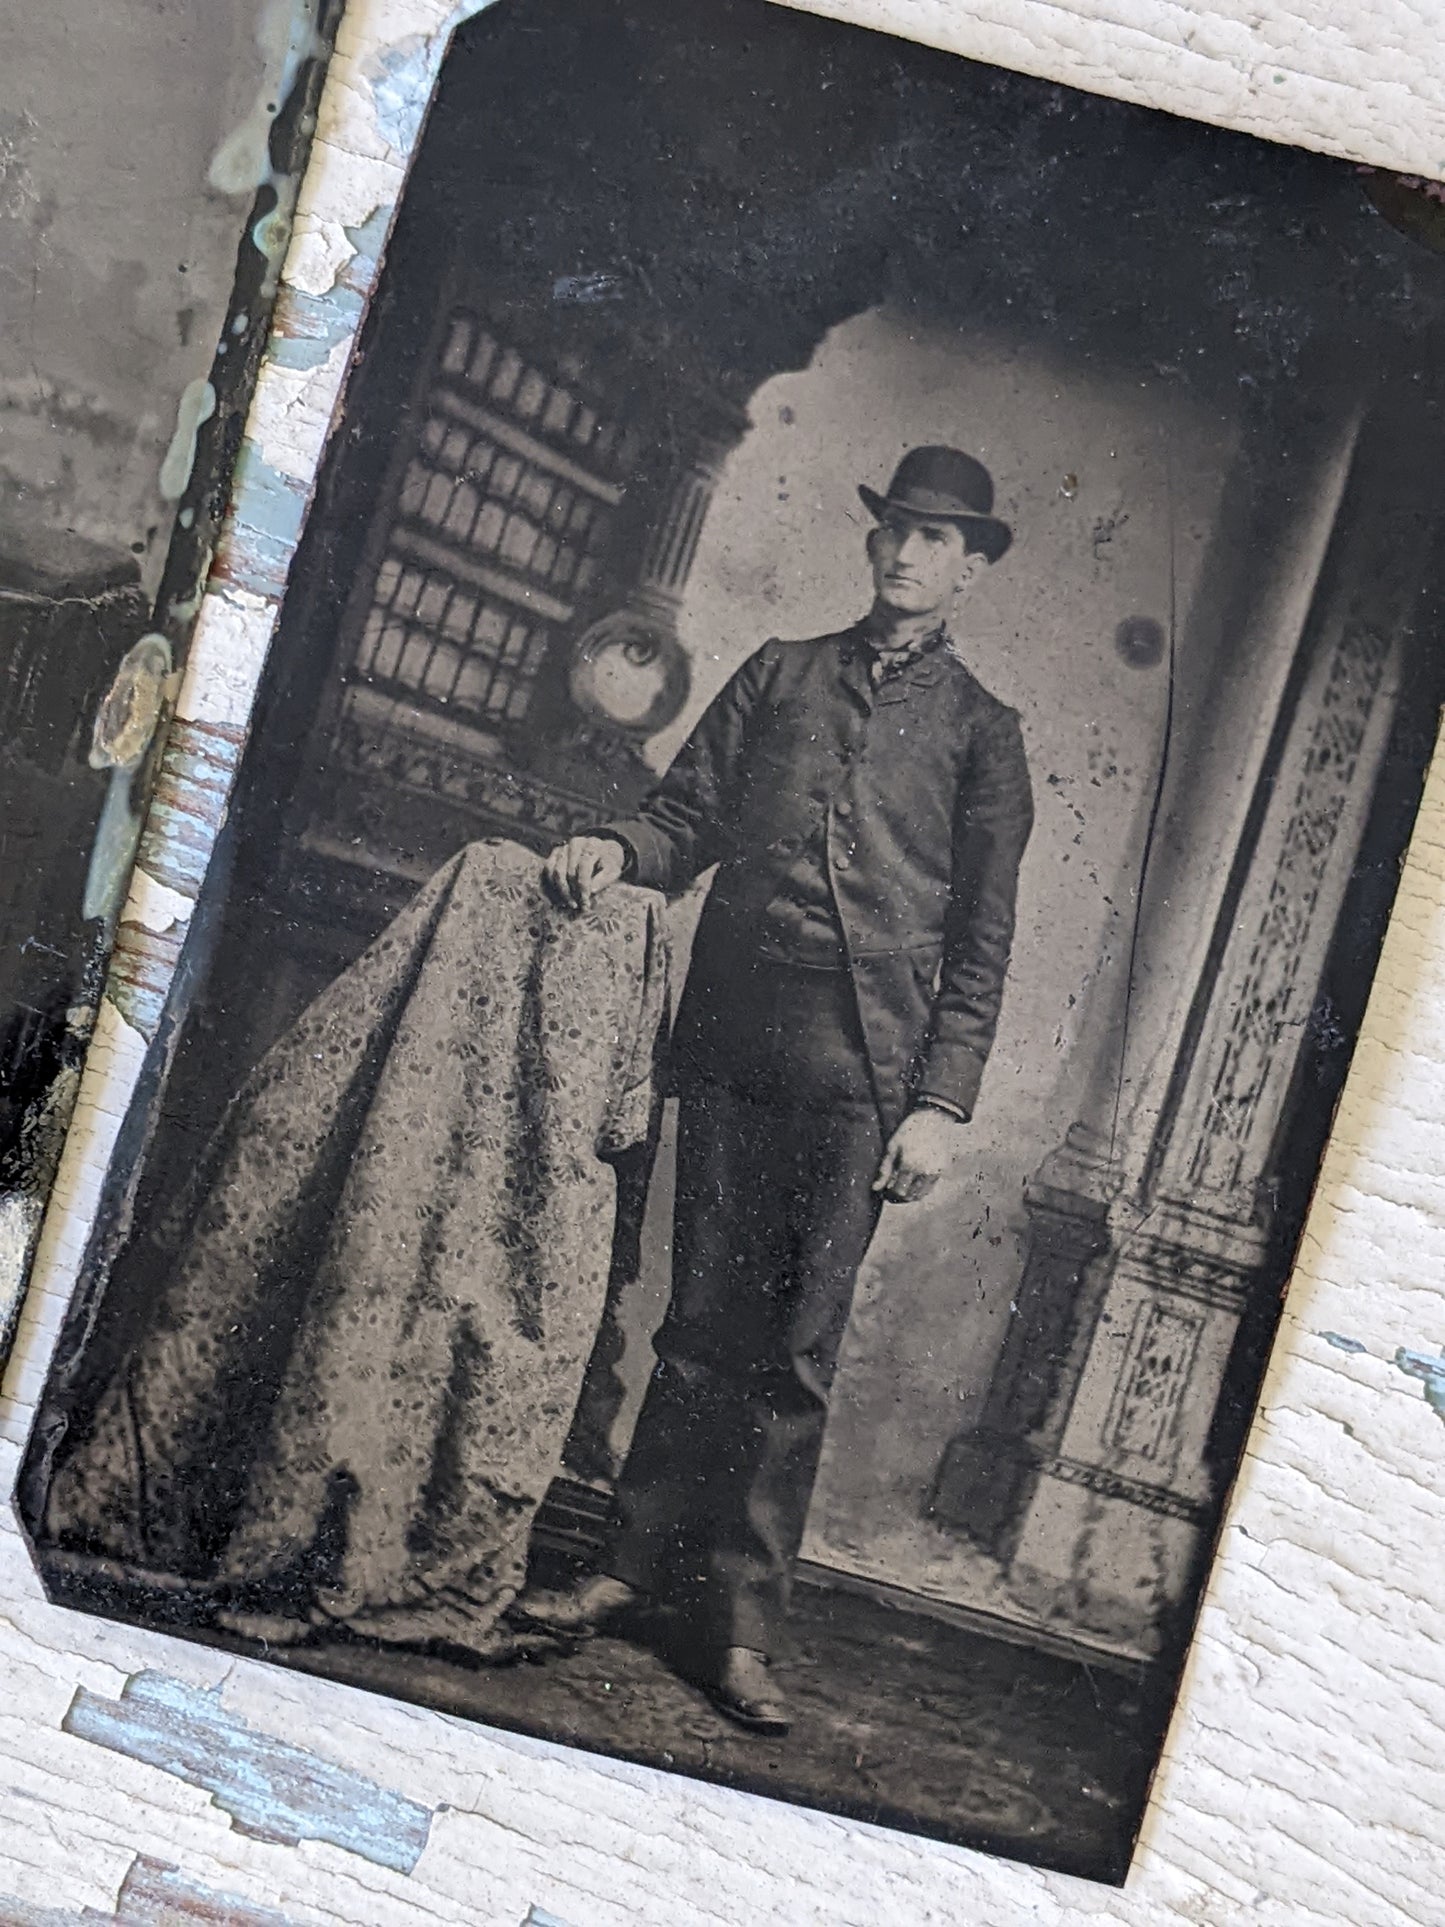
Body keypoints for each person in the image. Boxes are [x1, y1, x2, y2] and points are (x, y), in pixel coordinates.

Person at [523, 445, 1034, 1735]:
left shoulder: (986, 736)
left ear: (970, 570)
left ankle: (741, 1629)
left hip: (868, 1079)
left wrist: (944, 1103)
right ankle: (632, 1571)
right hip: (739, 1042)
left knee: (794, 1355)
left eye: (937, 540)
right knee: (695, 1321)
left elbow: (982, 941)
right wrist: (615, 847)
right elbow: (683, 815)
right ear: (874, 543)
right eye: (897, 530)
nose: (908, 555)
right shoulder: (779, 674)